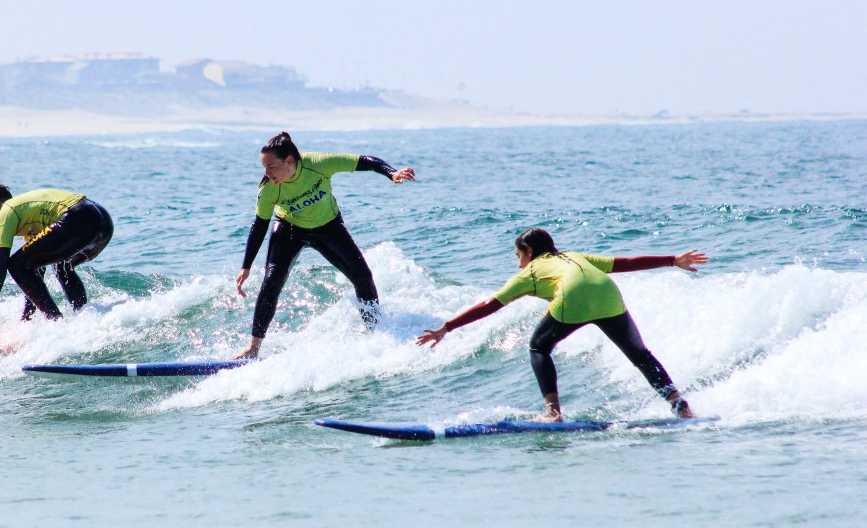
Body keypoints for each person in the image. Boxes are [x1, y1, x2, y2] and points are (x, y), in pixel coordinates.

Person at [415, 228, 706, 421]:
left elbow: (491, 304)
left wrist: (447, 327)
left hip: (573, 296)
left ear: (528, 250)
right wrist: (672, 259)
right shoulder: (575, 256)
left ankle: (552, 412)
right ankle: (679, 404)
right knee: (640, 355)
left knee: (538, 346)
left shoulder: (530, 272)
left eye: (518, 256)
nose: (518, 264)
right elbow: (624, 263)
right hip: (608, 293)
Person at [233, 132, 416, 359]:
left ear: (289, 161)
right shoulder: (269, 189)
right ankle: (253, 349)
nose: (266, 174)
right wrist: (246, 266)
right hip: (289, 229)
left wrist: (391, 173)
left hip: (328, 227)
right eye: (264, 168)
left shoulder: (319, 164)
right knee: (271, 282)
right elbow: (259, 226)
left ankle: (375, 333)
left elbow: (364, 161)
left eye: (271, 167)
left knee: (362, 276)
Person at [0, 183, 113, 331]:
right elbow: (34, 277)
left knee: (15, 264)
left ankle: (56, 323)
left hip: (79, 217)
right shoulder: (28, 219)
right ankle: (84, 317)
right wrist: (27, 318)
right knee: (61, 266)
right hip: (102, 223)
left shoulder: (6, 211)